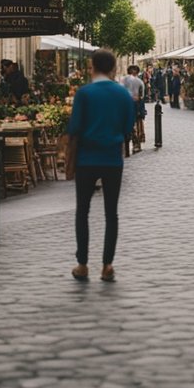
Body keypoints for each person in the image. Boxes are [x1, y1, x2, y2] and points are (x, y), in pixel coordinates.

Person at [68, 50, 135, 284]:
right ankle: (107, 265)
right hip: (112, 160)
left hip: (86, 159)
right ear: (113, 68)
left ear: (92, 66)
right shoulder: (122, 94)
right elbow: (128, 128)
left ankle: (82, 264)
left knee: (82, 212)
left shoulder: (84, 93)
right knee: (111, 214)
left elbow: (74, 126)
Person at [121, 65, 146, 148]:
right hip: (128, 105)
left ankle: (136, 142)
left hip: (137, 105)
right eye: (132, 71)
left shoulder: (139, 82)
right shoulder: (125, 81)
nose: (133, 73)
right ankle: (130, 141)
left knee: (137, 124)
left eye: (135, 71)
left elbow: (142, 95)